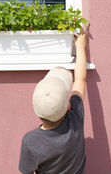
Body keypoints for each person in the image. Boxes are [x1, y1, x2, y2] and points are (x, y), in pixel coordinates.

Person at [19, 26, 89, 174]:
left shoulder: (31, 141)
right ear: (68, 106)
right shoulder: (75, 120)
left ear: (36, 109)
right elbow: (80, 81)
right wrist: (80, 45)